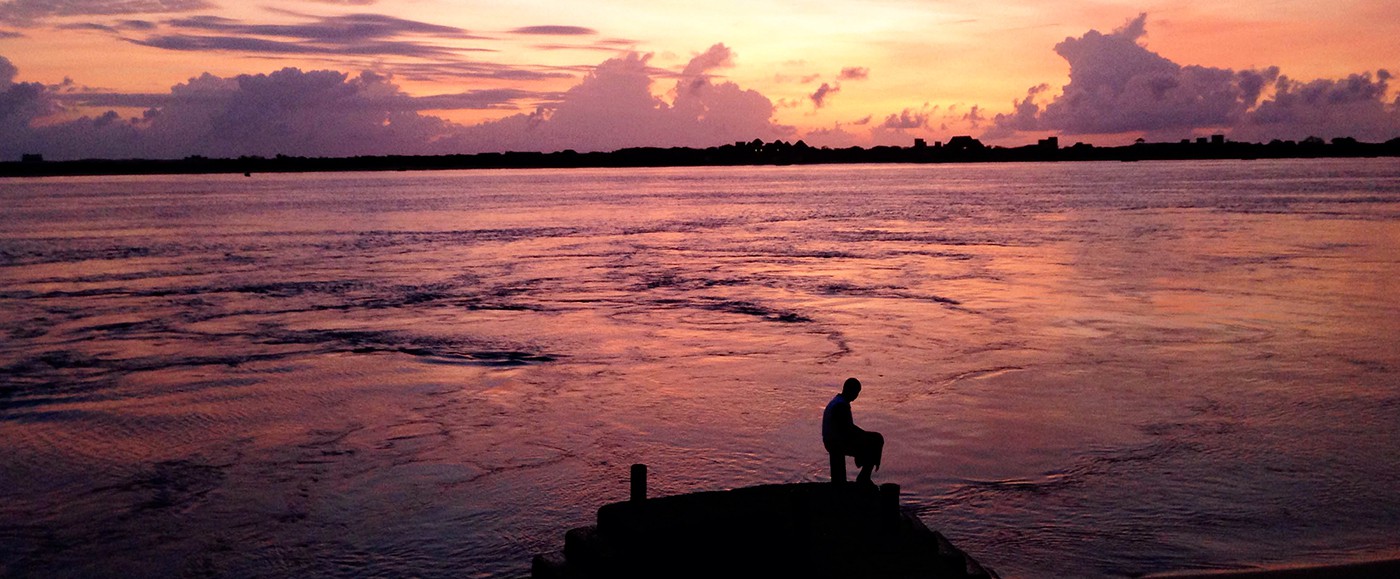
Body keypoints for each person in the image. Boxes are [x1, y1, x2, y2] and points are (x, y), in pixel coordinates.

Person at [822, 377, 884, 484]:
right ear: (850, 390)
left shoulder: (838, 401)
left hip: (833, 440)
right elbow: (846, 429)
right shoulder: (841, 406)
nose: (856, 396)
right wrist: (864, 437)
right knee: (876, 440)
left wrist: (863, 436)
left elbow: (846, 428)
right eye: (856, 392)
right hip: (836, 443)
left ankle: (863, 471)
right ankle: (864, 478)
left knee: (874, 439)